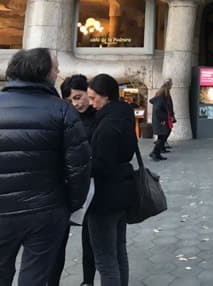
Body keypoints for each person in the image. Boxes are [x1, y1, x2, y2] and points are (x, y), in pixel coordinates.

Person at [0, 48, 91, 286]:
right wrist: (71, 205)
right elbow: (79, 169)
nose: (59, 72)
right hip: (46, 210)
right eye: (55, 68)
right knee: (37, 277)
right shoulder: (62, 111)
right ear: (43, 72)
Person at [87, 73, 137, 286]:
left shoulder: (107, 125)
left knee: (106, 260)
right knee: (119, 252)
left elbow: (102, 165)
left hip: (104, 198)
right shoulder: (125, 116)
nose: (91, 103)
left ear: (106, 96)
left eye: (93, 98)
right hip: (122, 193)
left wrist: (82, 165)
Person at [48, 74, 97, 286]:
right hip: (66, 188)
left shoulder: (99, 117)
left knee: (91, 240)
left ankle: (87, 281)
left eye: (78, 97)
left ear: (89, 92)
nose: (76, 103)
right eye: (70, 100)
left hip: (93, 187)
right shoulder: (64, 118)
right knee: (57, 242)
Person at [149, 82, 171, 161]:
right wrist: (162, 120)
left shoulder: (159, 98)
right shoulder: (160, 99)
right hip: (160, 121)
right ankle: (155, 153)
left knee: (161, 137)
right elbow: (158, 110)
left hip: (159, 121)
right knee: (162, 137)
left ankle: (156, 153)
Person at [163, 77, 176, 151]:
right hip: (166, 114)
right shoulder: (164, 92)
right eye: (171, 84)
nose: (172, 85)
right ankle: (162, 143)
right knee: (167, 129)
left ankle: (163, 143)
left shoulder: (167, 92)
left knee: (168, 128)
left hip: (168, 113)